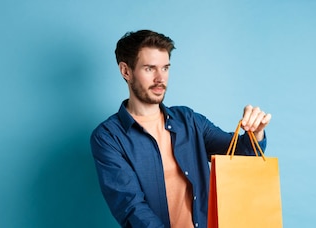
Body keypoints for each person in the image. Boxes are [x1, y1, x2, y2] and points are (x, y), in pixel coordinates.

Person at [90, 29, 272, 228]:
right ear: (126, 71)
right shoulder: (108, 137)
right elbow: (131, 207)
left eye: (165, 68)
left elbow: (240, 154)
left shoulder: (189, 120)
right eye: (150, 69)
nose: (161, 78)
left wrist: (255, 133)